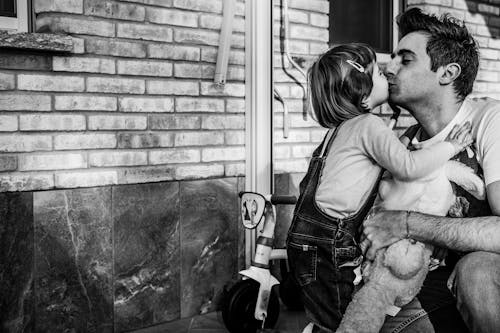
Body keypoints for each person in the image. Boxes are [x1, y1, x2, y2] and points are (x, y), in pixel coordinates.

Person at [286, 42, 472, 333]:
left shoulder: (337, 132)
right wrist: (452, 145)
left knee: (325, 318)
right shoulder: (368, 125)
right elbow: (408, 168)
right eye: (380, 75)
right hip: (332, 243)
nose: (389, 73)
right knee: (348, 321)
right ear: (363, 98)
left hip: (304, 240)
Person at [361, 8, 500, 333]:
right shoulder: (407, 146)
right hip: (440, 280)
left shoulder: (488, 121)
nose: (388, 67)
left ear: (447, 73)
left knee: (476, 271)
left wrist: (408, 224)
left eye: (405, 60)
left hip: (482, 275)